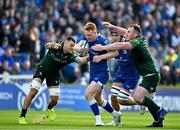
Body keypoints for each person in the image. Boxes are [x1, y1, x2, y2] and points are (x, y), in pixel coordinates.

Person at [92, 22, 168, 127]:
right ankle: (158, 122)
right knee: (143, 99)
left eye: (129, 32)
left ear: (135, 34)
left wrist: (102, 48)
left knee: (137, 98)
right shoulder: (136, 38)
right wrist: (112, 26)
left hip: (151, 75)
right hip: (148, 75)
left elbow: (120, 45)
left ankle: (160, 110)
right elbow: (123, 32)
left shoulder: (136, 42)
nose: (126, 33)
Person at [19, 36, 89, 124]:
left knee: (55, 100)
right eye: (71, 45)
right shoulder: (58, 46)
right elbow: (46, 45)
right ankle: (22, 116)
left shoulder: (71, 55)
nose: (72, 47)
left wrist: (91, 56)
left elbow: (81, 60)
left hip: (54, 74)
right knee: (33, 92)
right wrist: (51, 45)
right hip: (42, 69)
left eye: (73, 46)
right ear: (65, 43)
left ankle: (50, 108)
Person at [81, 22, 121, 126]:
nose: (87, 37)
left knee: (88, 94)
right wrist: (80, 49)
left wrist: (101, 57)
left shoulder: (102, 41)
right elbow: (76, 46)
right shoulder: (86, 39)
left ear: (95, 32)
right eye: (86, 35)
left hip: (102, 73)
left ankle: (99, 121)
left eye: (89, 35)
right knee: (99, 100)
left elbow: (115, 52)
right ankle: (116, 114)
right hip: (93, 74)